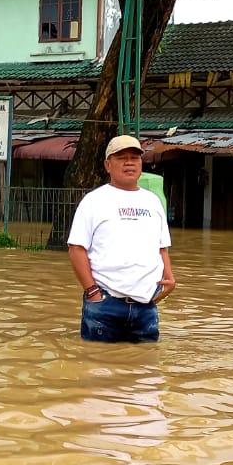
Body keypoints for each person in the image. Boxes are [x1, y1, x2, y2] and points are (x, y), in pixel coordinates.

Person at [67, 135, 176, 343]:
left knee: (147, 368)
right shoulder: (93, 201)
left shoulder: (152, 201)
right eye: (121, 158)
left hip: (146, 305)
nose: (129, 163)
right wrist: (92, 292)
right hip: (104, 303)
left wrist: (169, 279)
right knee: (97, 367)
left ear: (141, 164)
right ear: (108, 165)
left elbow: (162, 247)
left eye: (134, 158)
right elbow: (76, 248)